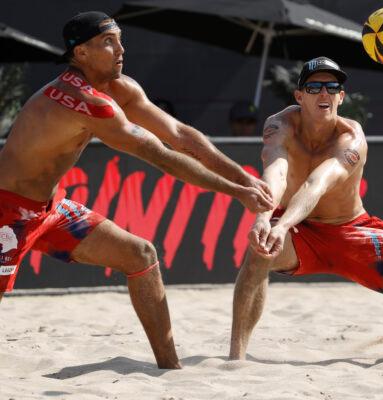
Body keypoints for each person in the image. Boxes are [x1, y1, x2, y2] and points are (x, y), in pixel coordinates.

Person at [0, 11, 274, 369]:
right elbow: (161, 156)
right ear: (80, 53)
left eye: (119, 39)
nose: (120, 49)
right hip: (8, 211)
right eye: (108, 42)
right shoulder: (84, 99)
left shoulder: (119, 88)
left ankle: (170, 369)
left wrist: (243, 177)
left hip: (50, 209)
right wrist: (234, 190)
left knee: (140, 255)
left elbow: (180, 135)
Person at [229, 57, 383, 362]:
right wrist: (263, 217)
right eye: (314, 87)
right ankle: (236, 359)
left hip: (351, 230)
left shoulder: (351, 138)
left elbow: (316, 185)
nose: (323, 93)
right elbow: (276, 173)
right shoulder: (280, 125)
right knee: (260, 250)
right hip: (303, 232)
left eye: (332, 86)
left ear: (341, 96)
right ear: (299, 96)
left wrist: (281, 225)